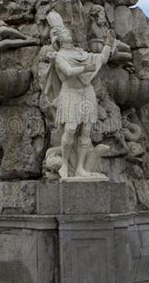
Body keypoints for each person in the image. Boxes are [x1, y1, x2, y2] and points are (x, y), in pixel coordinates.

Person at [44, 12, 114, 179]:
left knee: (86, 130)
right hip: (70, 93)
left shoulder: (82, 53)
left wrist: (109, 43)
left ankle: (80, 168)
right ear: (58, 39)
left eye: (68, 31)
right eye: (65, 32)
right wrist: (85, 69)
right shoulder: (60, 56)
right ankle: (65, 165)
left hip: (87, 92)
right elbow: (68, 72)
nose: (69, 33)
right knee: (70, 128)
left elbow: (103, 59)